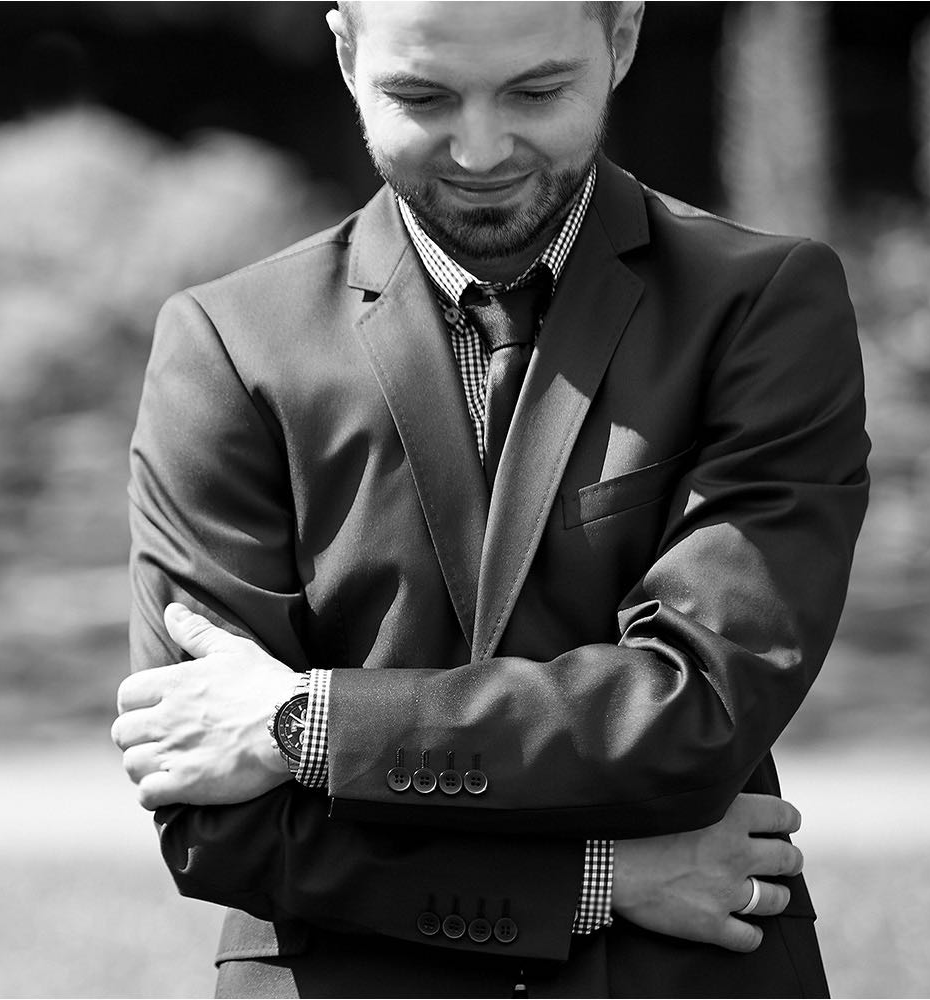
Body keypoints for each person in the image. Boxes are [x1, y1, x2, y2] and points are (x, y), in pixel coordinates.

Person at [112, 2, 868, 996]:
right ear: (346, 52)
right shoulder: (225, 344)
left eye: (536, 91)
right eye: (422, 96)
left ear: (623, 39)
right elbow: (212, 812)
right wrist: (594, 881)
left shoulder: (763, 307)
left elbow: (699, 708)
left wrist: (311, 721)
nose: (480, 149)